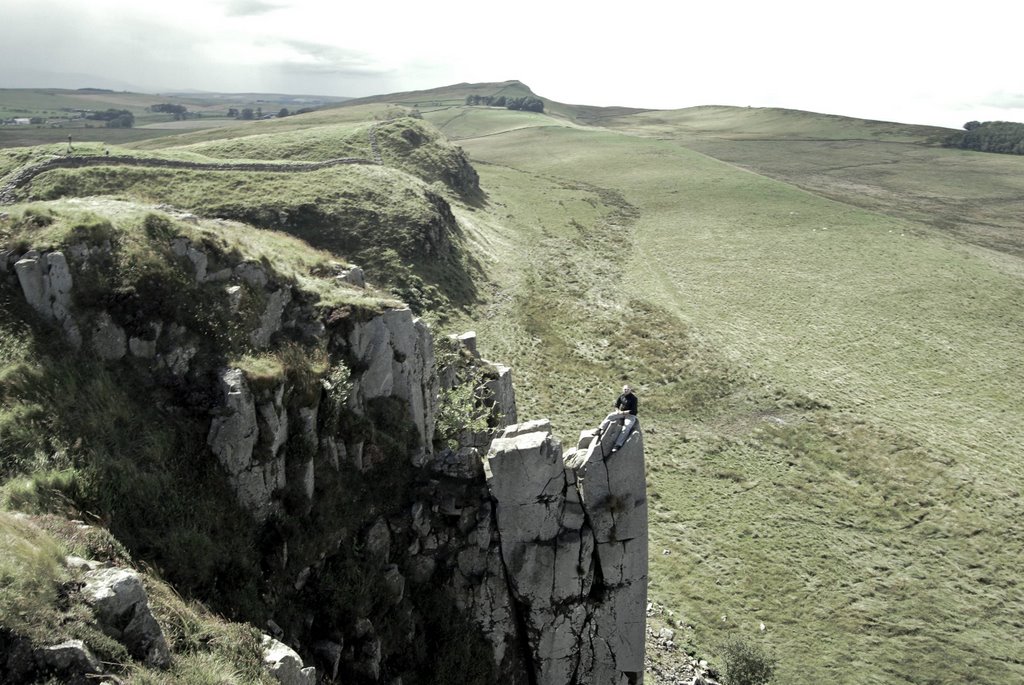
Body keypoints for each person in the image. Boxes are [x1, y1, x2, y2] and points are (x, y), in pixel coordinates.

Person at [599, 384, 638, 453]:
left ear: (630, 390)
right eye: (624, 389)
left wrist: (623, 413)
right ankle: (600, 429)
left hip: (630, 415)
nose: (626, 391)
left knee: (626, 428)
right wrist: (617, 411)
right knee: (610, 416)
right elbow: (616, 405)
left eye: (627, 389)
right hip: (621, 413)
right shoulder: (622, 396)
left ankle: (617, 445)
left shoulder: (634, 398)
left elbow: (633, 410)